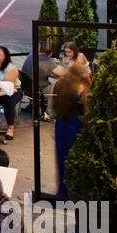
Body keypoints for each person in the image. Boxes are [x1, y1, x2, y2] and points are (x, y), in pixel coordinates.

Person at [51, 64, 89, 198]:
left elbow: (52, 105)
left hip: (61, 123)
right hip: (76, 124)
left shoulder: (59, 84)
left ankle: (62, 191)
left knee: (61, 156)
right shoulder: (81, 88)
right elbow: (86, 108)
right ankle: (74, 191)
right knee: (74, 157)